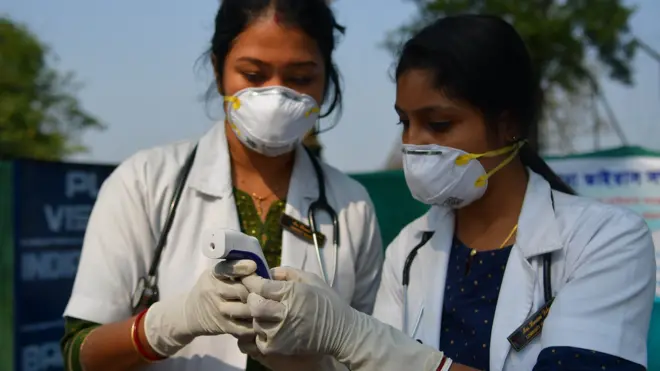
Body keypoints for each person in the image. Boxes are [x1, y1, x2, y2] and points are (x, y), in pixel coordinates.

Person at [233, 14, 657, 371]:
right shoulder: (410, 250)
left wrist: (356, 335)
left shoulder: (606, 240)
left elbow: (384, 354)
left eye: (438, 124)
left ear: (509, 123)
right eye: (405, 123)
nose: (414, 144)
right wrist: (303, 351)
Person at [60, 1, 383, 370]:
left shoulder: (351, 206)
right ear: (218, 71)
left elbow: (377, 353)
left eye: (300, 78)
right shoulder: (143, 183)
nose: (275, 97)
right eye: (253, 75)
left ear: (326, 79)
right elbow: (79, 354)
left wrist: (321, 358)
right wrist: (170, 323)